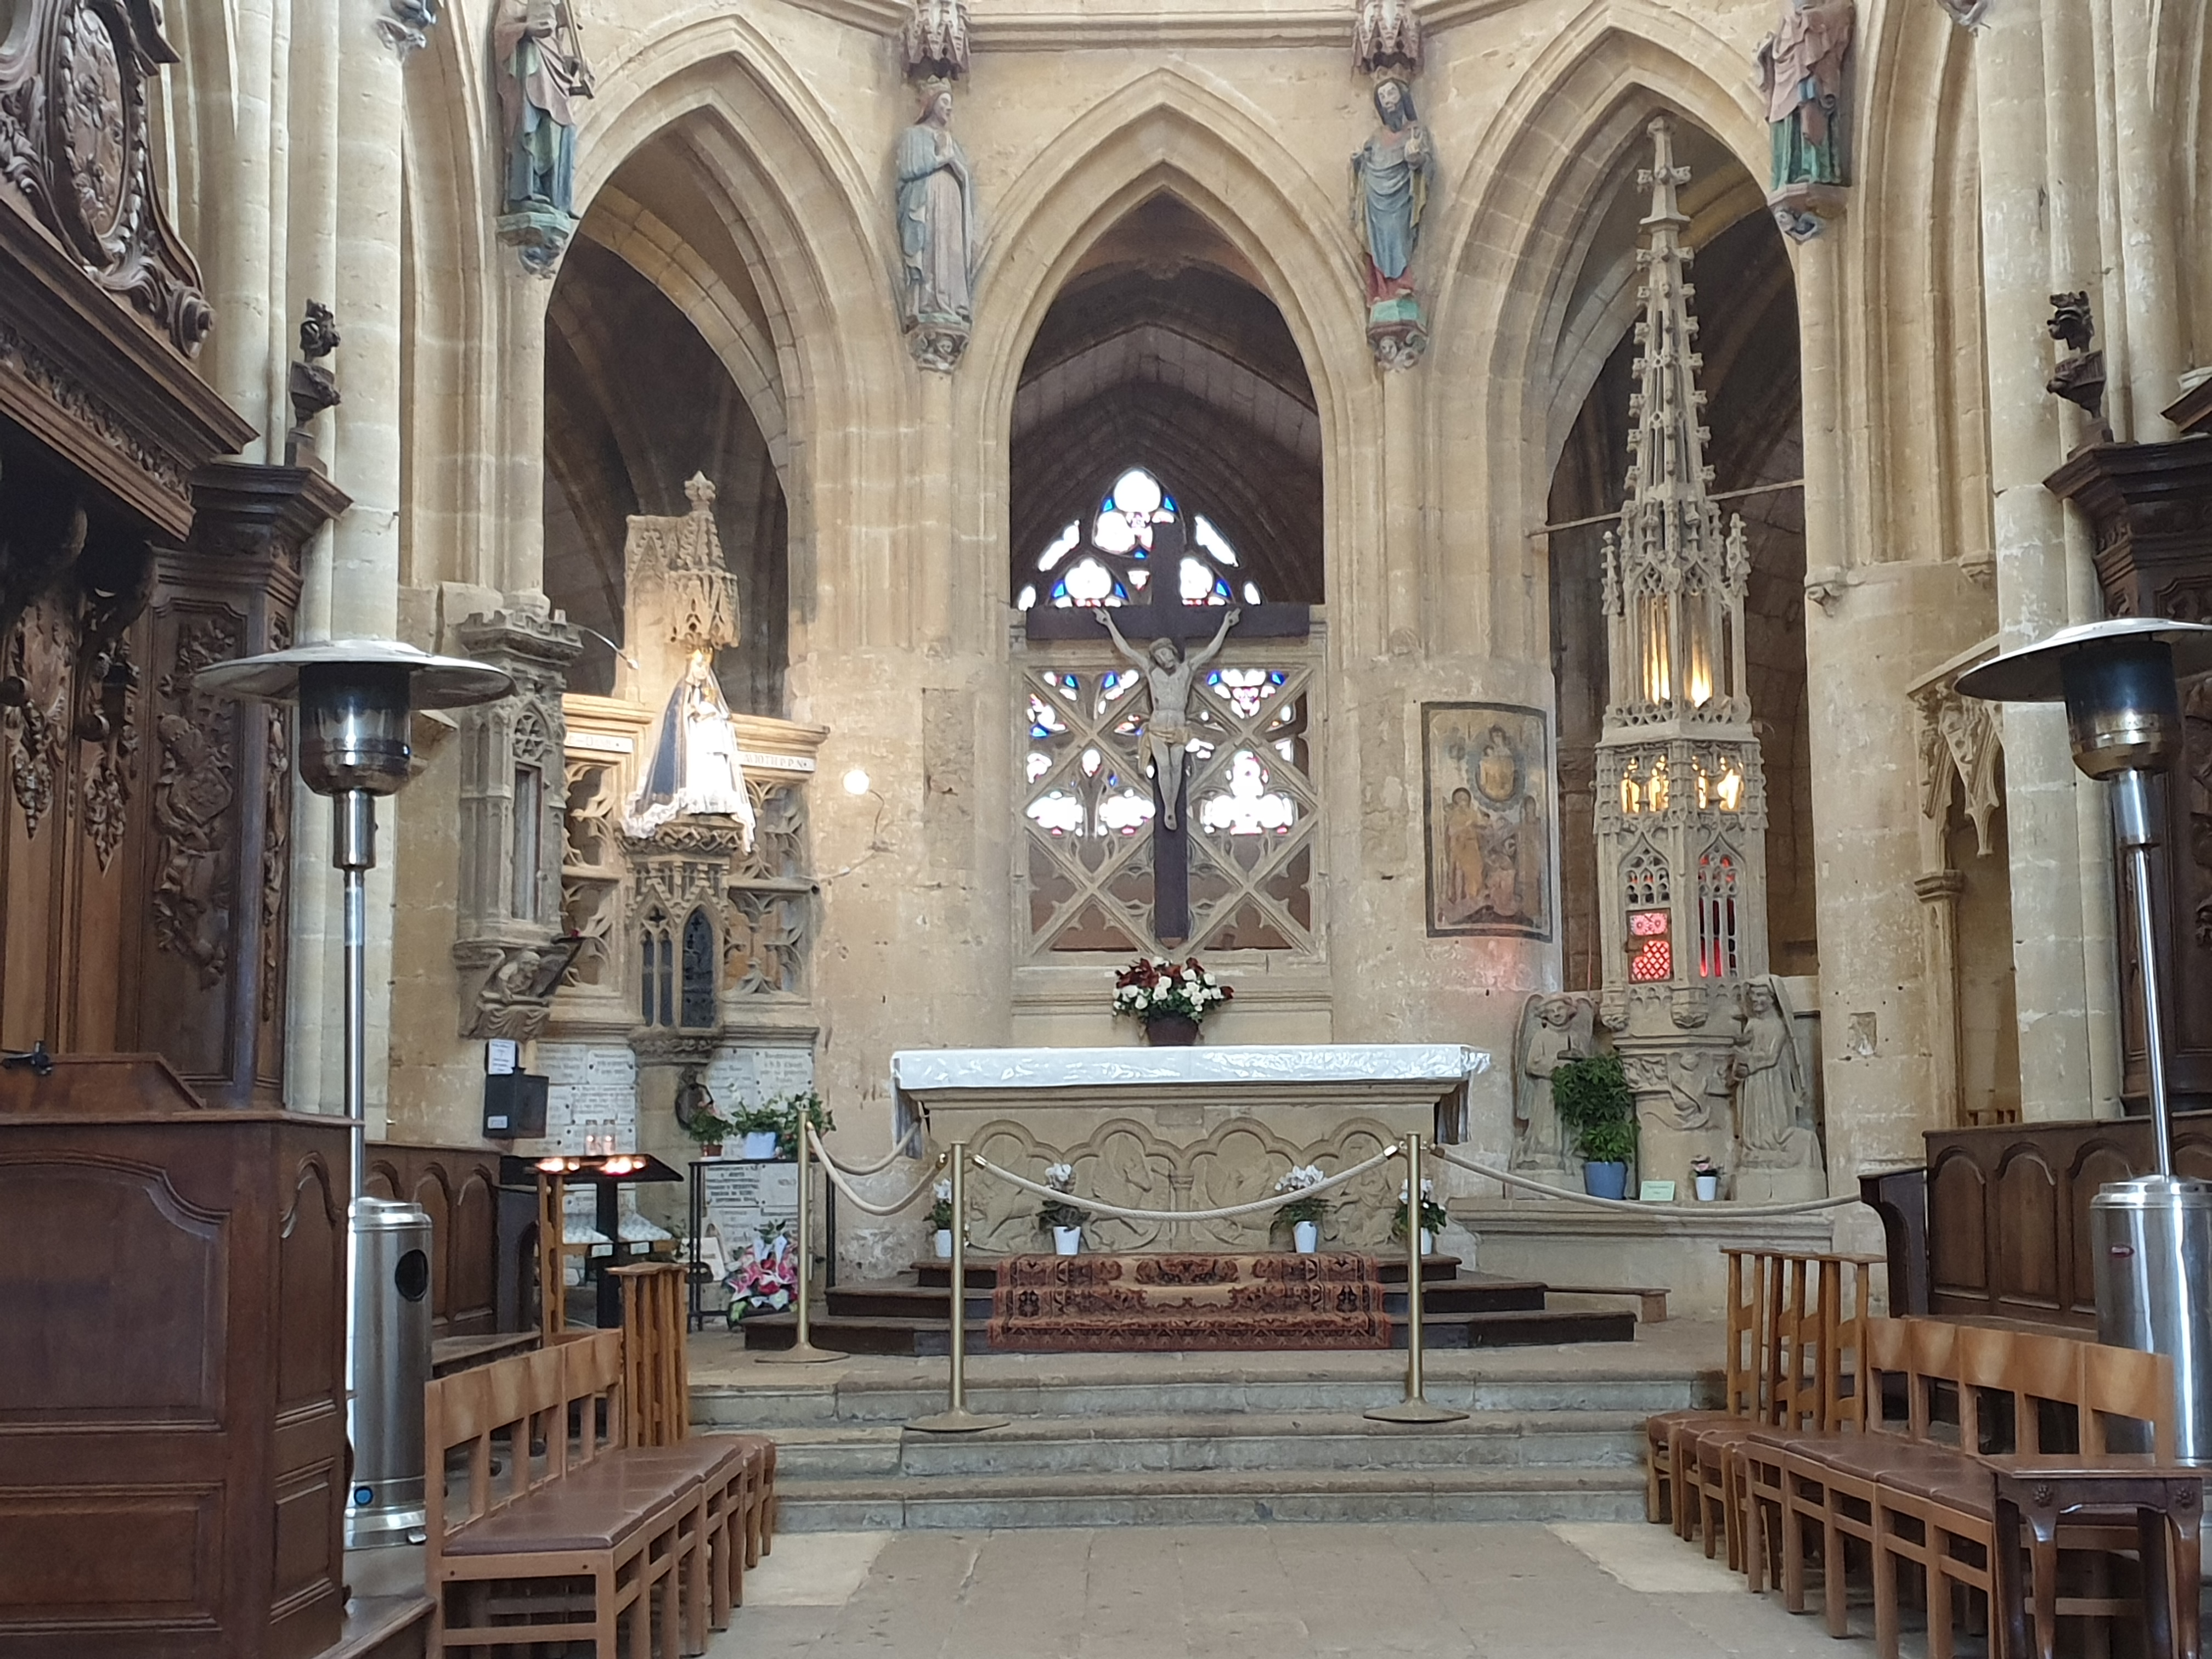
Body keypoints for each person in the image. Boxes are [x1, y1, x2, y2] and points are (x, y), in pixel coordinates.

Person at [1095, 606, 1240, 828]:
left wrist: (1226, 626)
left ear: (1172, 652)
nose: (1164, 658)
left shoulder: (1187, 670)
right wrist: (1109, 624)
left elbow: (1210, 651)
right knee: (1164, 766)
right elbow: (1127, 651)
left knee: (1176, 766)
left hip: (1178, 725)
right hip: (1158, 725)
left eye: (1165, 653)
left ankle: (1172, 807)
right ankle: (1169, 809)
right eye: (1159, 656)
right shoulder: (1152, 672)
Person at [894, 83, 976, 331]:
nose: (949, 108)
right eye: (944, 102)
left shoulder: (953, 142)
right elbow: (909, 169)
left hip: (951, 199)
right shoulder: (914, 135)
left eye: (951, 103)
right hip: (928, 197)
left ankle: (951, 301)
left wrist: (957, 168)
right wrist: (942, 159)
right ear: (931, 105)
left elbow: (963, 174)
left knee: (950, 247)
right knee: (932, 244)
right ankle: (929, 301)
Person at [1350, 77, 1430, 311]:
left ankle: (1402, 284)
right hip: (1375, 195)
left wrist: (1416, 158)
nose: (1388, 101)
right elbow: (1367, 160)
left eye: (1392, 94)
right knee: (1376, 242)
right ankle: (1382, 290)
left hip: (1400, 197)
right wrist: (1358, 162)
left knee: (1398, 235)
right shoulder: (1375, 138)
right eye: (1383, 97)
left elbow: (1426, 163)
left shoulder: (1416, 131)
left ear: (1402, 97)